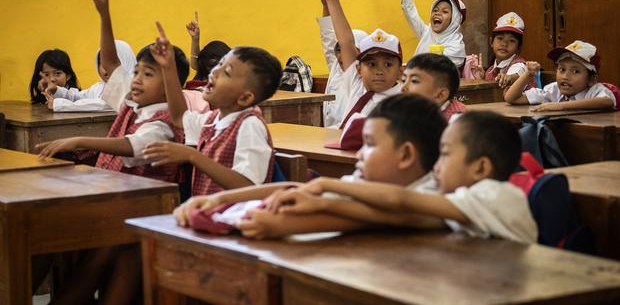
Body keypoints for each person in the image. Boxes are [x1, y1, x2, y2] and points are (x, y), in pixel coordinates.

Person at [172, 94, 446, 238]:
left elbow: (357, 215)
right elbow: (297, 188)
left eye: (370, 145)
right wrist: (217, 200)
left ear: (406, 155)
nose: (360, 154)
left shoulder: (432, 200)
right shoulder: (369, 185)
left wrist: (280, 224)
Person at [267, 111, 537, 244]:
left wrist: (324, 186)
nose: (437, 165)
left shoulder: (496, 195)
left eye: (444, 154)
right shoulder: (464, 200)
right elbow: (398, 216)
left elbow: (400, 200)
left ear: (480, 168)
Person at [37, 0, 190, 184]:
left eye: (148, 74)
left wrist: (78, 141)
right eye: (136, 72)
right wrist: (104, 15)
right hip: (110, 188)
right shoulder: (132, 101)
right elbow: (110, 63)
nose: (136, 80)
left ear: (170, 84)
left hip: (140, 204)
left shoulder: (162, 124)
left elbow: (131, 145)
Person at [143, 24, 282, 196]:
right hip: (207, 213)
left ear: (245, 98)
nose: (215, 72)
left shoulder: (250, 126)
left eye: (227, 72)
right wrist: (168, 67)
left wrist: (193, 156)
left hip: (234, 219)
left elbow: (248, 185)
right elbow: (179, 117)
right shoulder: (213, 120)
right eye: (220, 64)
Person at [319, 0, 402, 129]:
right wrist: (332, 0)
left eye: (388, 64)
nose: (379, 71)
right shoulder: (356, 85)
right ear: (358, 69)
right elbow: (345, 42)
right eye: (371, 64)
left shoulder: (401, 104)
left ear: (400, 71)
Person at [505, 40, 616, 111]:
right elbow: (512, 98)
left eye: (575, 71)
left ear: (592, 79)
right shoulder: (554, 90)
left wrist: (560, 106)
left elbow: (606, 102)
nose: (565, 76)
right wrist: (528, 75)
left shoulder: (595, 90)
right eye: (562, 69)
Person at [396, 0, 466, 68]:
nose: (437, 13)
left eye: (445, 11)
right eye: (435, 10)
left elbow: (436, 67)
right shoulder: (426, 33)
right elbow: (410, 11)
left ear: (454, 20)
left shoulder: (456, 46)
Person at [316, 0, 368, 126]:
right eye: (338, 50)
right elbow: (327, 36)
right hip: (328, 134)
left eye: (346, 51)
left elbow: (346, 41)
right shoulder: (335, 67)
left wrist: (332, 1)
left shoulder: (362, 78)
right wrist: (326, 5)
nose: (341, 56)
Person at [45, 40, 136, 112]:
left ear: (126, 61)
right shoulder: (100, 86)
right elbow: (79, 97)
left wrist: (60, 105)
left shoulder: (131, 86)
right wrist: (57, 90)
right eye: (102, 63)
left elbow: (103, 104)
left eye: (112, 63)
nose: (106, 68)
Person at [470, 12, 534, 90]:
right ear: (491, 42)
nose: (504, 44)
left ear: (519, 47)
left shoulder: (520, 65)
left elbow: (518, 75)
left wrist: (508, 78)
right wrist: (482, 79)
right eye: (500, 38)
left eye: (511, 41)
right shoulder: (490, 70)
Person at [401, 53, 466, 121]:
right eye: (403, 80)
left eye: (414, 81)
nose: (403, 88)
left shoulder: (457, 122)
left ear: (440, 95)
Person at [185, 11, 231, 87]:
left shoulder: (234, 84)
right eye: (210, 66)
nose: (214, 71)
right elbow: (195, 64)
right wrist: (195, 39)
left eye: (218, 64)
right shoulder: (198, 85)